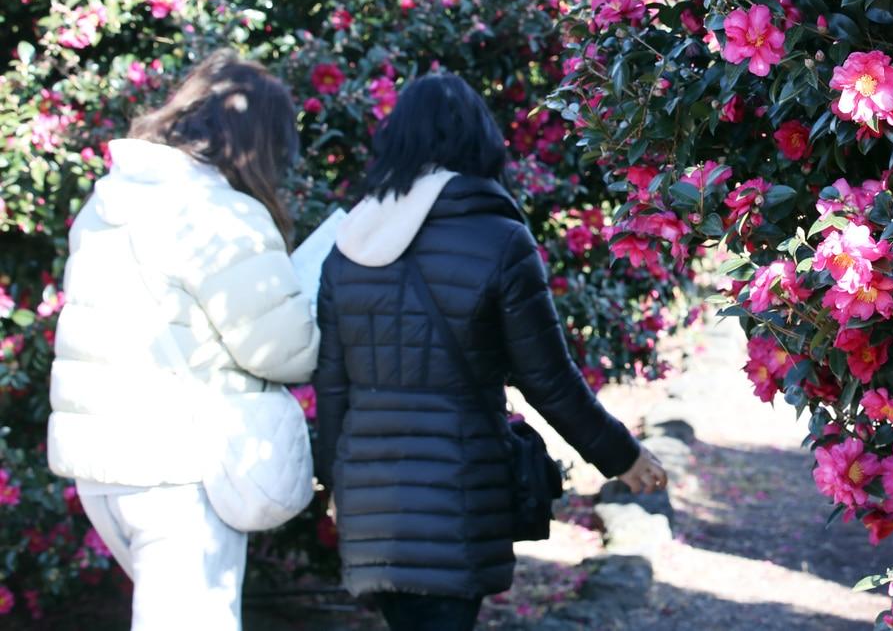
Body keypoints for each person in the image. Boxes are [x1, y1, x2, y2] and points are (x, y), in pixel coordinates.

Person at [314, 71, 667, 631]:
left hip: (369, 499)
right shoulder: (499, 240)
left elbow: (332, 384)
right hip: (456, 491)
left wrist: (335, 484)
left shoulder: (350, 246)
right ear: (479, 143)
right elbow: (547, 376)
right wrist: (621, 456)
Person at [47, 50, 320, 630]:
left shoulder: (110, 199)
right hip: (179, 465)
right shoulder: (221, 213)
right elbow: (285, 352)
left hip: (104, 465)